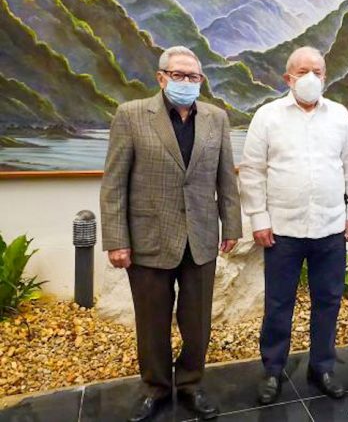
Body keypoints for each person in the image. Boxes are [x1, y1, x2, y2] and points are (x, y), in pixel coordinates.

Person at [100, 46, 242, 421]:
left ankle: (192, 383)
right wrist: (116, 240)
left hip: (200, 237)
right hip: (149, 237)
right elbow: (114, 183)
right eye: (178, 75)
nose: (186, 83)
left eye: (193, 77)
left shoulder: (216, 118)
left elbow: (226, 177)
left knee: (197, 322)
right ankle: (156, 387)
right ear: (161, 78)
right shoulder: (131, 116)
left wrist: (232, 224)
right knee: (152, 321)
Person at [239, 46, 348, 404]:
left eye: (318, 71)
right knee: (279, 303)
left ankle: (322, 366)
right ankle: (272, 370)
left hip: (330, 229)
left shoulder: (340, 115)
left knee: (328, 301)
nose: (311, 77)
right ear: (288, 78)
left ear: (325, 77)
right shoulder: (267, 116)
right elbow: (252, 171)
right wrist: (259, 218)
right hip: (282, 231)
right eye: (303, 71)